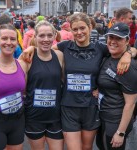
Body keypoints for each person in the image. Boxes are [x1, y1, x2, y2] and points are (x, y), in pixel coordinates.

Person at [23, 12, 136, 150]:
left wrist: (128, 54)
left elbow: (121, 48)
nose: (79, 32)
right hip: (69, 107)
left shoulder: (100, 48)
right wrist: (32, 48)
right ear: (71, 30)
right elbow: (44, 49)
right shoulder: (65, 46)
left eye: (82, 28)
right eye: (75, 29)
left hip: (90, 107)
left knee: (87, 147)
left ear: (89, 27)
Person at [23, 21, 64, 150]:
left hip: (55, 117)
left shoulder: (60, 56)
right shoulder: (27, 57)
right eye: (41, 36)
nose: (46, 39)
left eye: (49, 35)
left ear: (54, 36)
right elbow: (14, 82)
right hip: (34, 118)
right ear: (35, 37)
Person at [0, 24, 28, 150]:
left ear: (17, 42)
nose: (9, 42)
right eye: (4, 38)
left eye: (13, 39)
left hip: (18, 120)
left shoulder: (23, 64)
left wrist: (31, 48)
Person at [96, 22, 137, 150]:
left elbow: (130, 103)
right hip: (104, 115)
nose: (113, 41)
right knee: (101, 145)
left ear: (126, 41)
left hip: (116, 121)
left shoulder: (127, 67)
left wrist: (120, 132)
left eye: (118, 38)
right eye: (111, 37)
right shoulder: (108, 56)